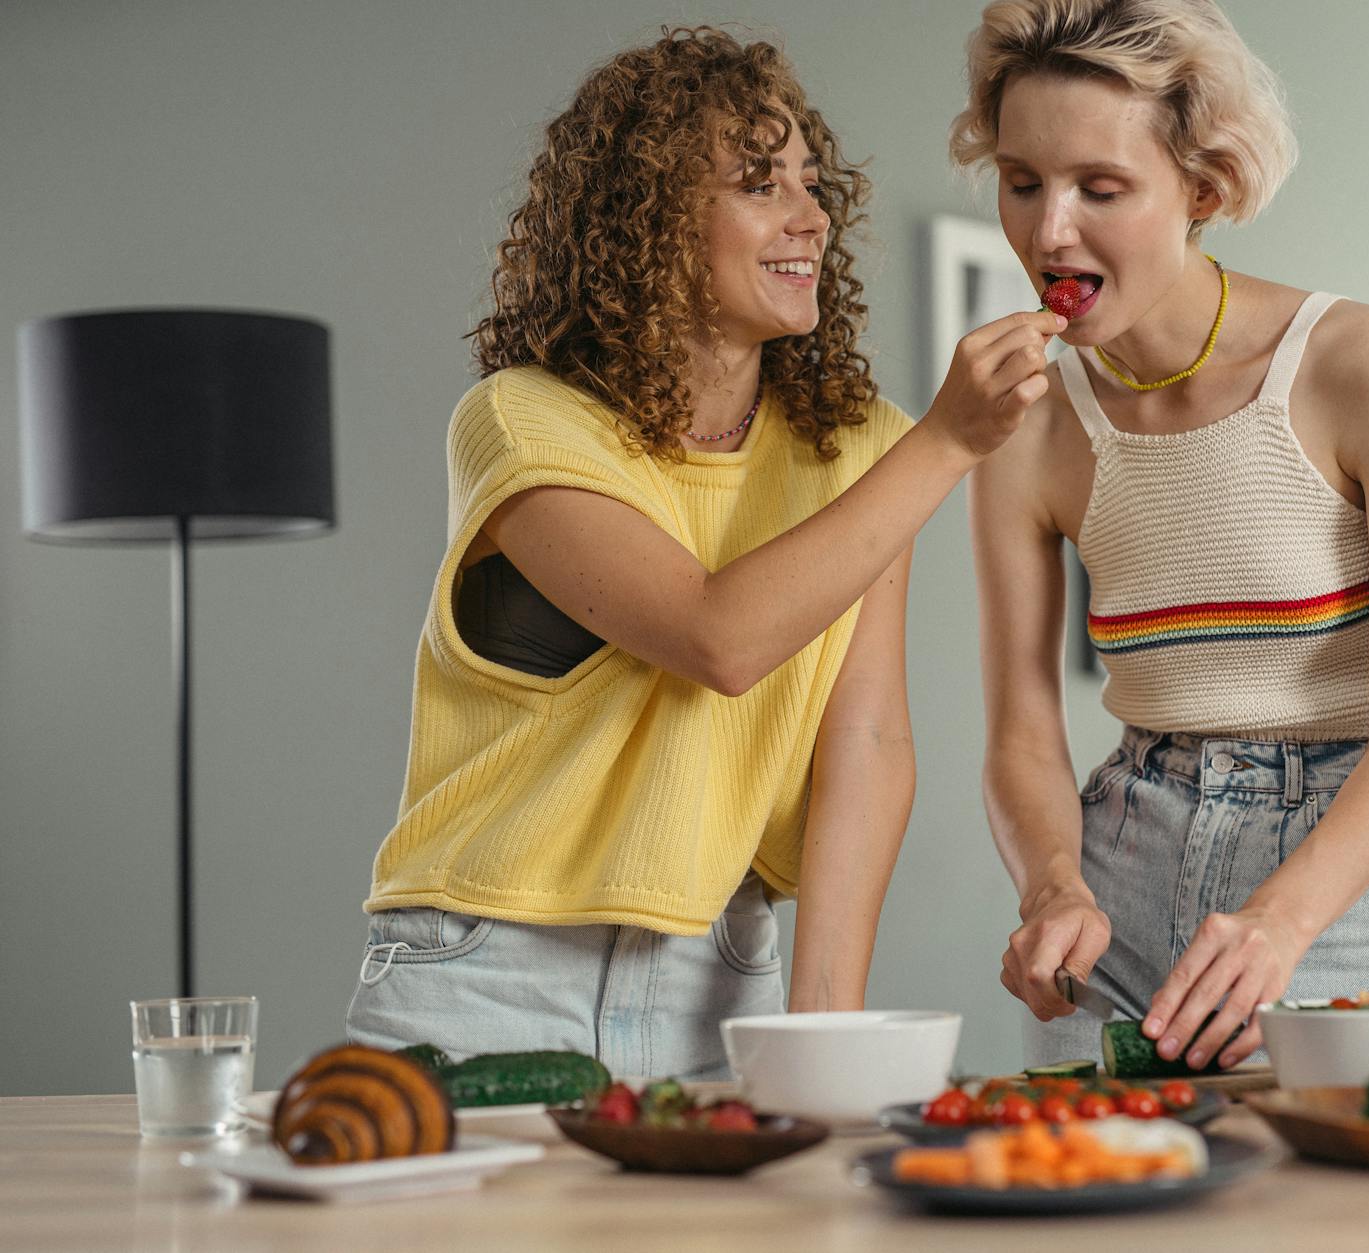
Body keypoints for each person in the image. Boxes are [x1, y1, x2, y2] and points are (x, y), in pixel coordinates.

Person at [345, 26, 1062, 1080]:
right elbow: (715, 635)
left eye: (811, 185)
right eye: (759, 183)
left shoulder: (857, 444)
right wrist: (948, 442)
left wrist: (825, 1028)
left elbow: (861, 739)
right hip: (485, 972)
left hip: (725, 977)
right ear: (649, 217)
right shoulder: (521, 423)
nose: (810, 216)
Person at [954, 0, 1369, 1071]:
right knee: (1089, 1212)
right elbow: (1019, 728)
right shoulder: (1024, 421)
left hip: (1336, 877)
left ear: (1203, 187)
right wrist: (1054, 883)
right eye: (1021, 182)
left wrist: (1280, 919)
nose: (1048, 231)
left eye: (1099, 188)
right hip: (1120, 860)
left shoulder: (1365, 363)